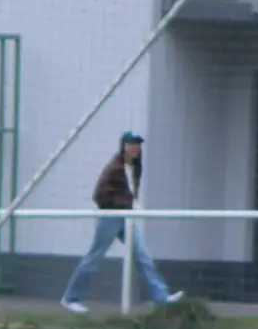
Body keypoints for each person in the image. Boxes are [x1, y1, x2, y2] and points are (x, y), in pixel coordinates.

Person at [60, 131, 185, 313]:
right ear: (123, 146)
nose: (135, 148)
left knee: (142, 256)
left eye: (137, 145)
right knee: (94, 257)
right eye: (131, 144)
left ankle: (161, 296)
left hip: (126, 218)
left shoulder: (135, 166)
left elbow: (129, 192)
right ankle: (70, 298)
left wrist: (129, 205)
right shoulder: (114, 168)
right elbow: (99, 196)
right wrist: (126, 204)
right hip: (111, 217)